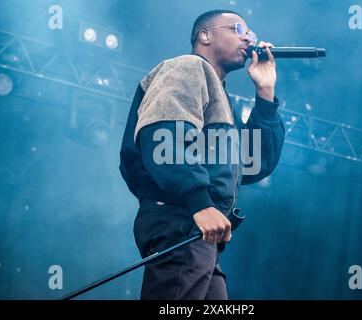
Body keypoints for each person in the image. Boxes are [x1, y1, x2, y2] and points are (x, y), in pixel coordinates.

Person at [119, 9, 285, 300]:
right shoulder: (187, 67)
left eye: (251, 33)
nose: (248, 36)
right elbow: (163, 136)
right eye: (237, 28)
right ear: (205, 35)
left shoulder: (220, 96)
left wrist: (265, 93)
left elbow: (252, 162)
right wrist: (199, 203)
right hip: (182, 218)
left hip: (199, 231)